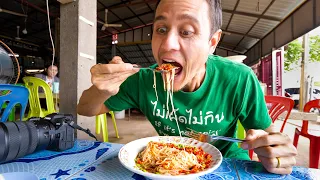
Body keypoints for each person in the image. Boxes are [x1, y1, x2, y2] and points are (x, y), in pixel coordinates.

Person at [77, 0, 297, 174]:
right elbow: (85, 109)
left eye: (187, 31)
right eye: (161, 29)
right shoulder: (143, 80)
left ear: (212, 42)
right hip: (167, 168)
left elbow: (269, 138)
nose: (167, 44)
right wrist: (102, 89)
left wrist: (276, 154)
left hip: (228, 166)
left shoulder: (238, 79)